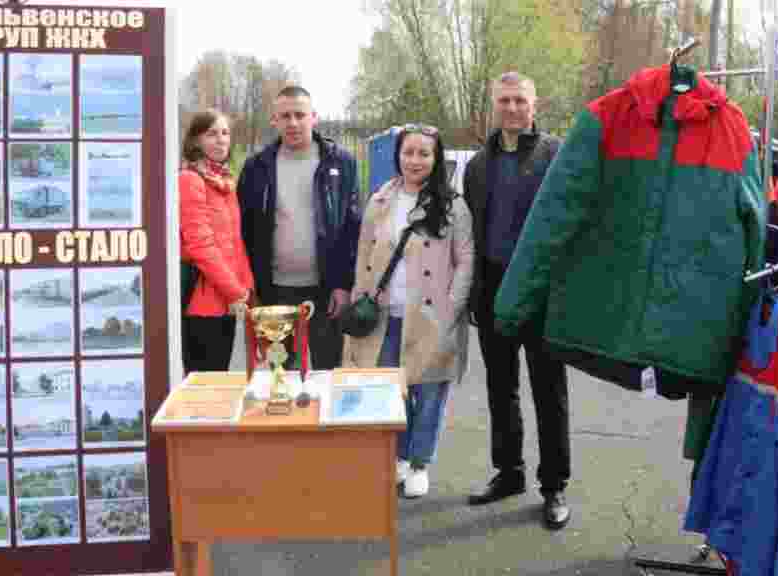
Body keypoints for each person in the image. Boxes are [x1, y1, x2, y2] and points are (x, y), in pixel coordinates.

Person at [462, 72, 571, 529]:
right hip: (492, 288)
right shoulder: (477, 164)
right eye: (504, 100)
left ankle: (554, 485)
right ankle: (509, 472)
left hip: (541, 290)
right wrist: (472, 291)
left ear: (534, 104)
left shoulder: (556, 155)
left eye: (519, 100)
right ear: (495, 104)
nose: (511, 108)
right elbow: (471, 232)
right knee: (500, 387)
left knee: (549, 390)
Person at [343, 124, 474, 498]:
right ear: (398, 155)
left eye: (424, 154)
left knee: (429, 392)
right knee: (391, 391)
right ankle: (399, 455)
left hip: (432, 315)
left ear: (436, 159)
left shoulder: (453, 205)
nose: (415, 160)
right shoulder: (380, 200)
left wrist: (451, 307)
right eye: (408, 152)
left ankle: (419, 463)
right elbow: (364, 253)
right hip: (384, 314)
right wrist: (359, 295)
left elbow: (466, 259)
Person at [238, 86, 360, 370]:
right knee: (280, 373)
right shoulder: (256, 167)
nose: (293, 123)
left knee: (327, 372)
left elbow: (352, 229)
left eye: (300, 115)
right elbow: (244, 231)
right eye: (285, 116)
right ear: (274, 120)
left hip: (326, 290)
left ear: (314, 117)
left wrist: (343, 285)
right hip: (274, 291)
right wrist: (252, 287)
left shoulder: (341, 163)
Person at [180, 109, 256, 374]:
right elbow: (200, 246)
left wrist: (247, 288)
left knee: (221, 377)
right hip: (202, 303)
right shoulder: (190, 180)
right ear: (195, 140)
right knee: (206, 381)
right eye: (211, 133)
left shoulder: (224, 181)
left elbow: (235, 242)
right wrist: (236, 291)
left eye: (225, 133)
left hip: (226, 300)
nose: (221, 139)